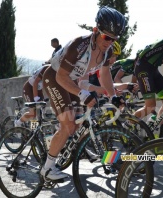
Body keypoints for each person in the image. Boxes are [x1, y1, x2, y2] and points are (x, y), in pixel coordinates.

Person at [40, 6, 126, 180]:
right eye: (106, 37)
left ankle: (59, 142)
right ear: (95, 30)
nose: (109, 42)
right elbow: (61, 77)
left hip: (70, 82)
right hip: (55, 78)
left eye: (114, 39)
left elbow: (105, 74)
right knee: (68, 125)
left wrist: (113, 96)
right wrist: (82, 94)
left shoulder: (107, 50)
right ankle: (47, 169)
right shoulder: (79, 45)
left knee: (79, 123)